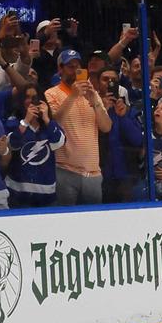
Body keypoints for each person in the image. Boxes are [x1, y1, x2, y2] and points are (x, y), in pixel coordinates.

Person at [45, 48, 111, 205]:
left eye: (78, 66)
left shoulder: (92, 93)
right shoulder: (51, 93)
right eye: (70, 67)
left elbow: (106, 127)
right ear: (60, 69)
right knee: (66, 221)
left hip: (93, 172)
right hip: (65, 169)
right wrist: (73, 95)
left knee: (94, 221)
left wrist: (95, 102)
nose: (75, 71)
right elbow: (55, 122)